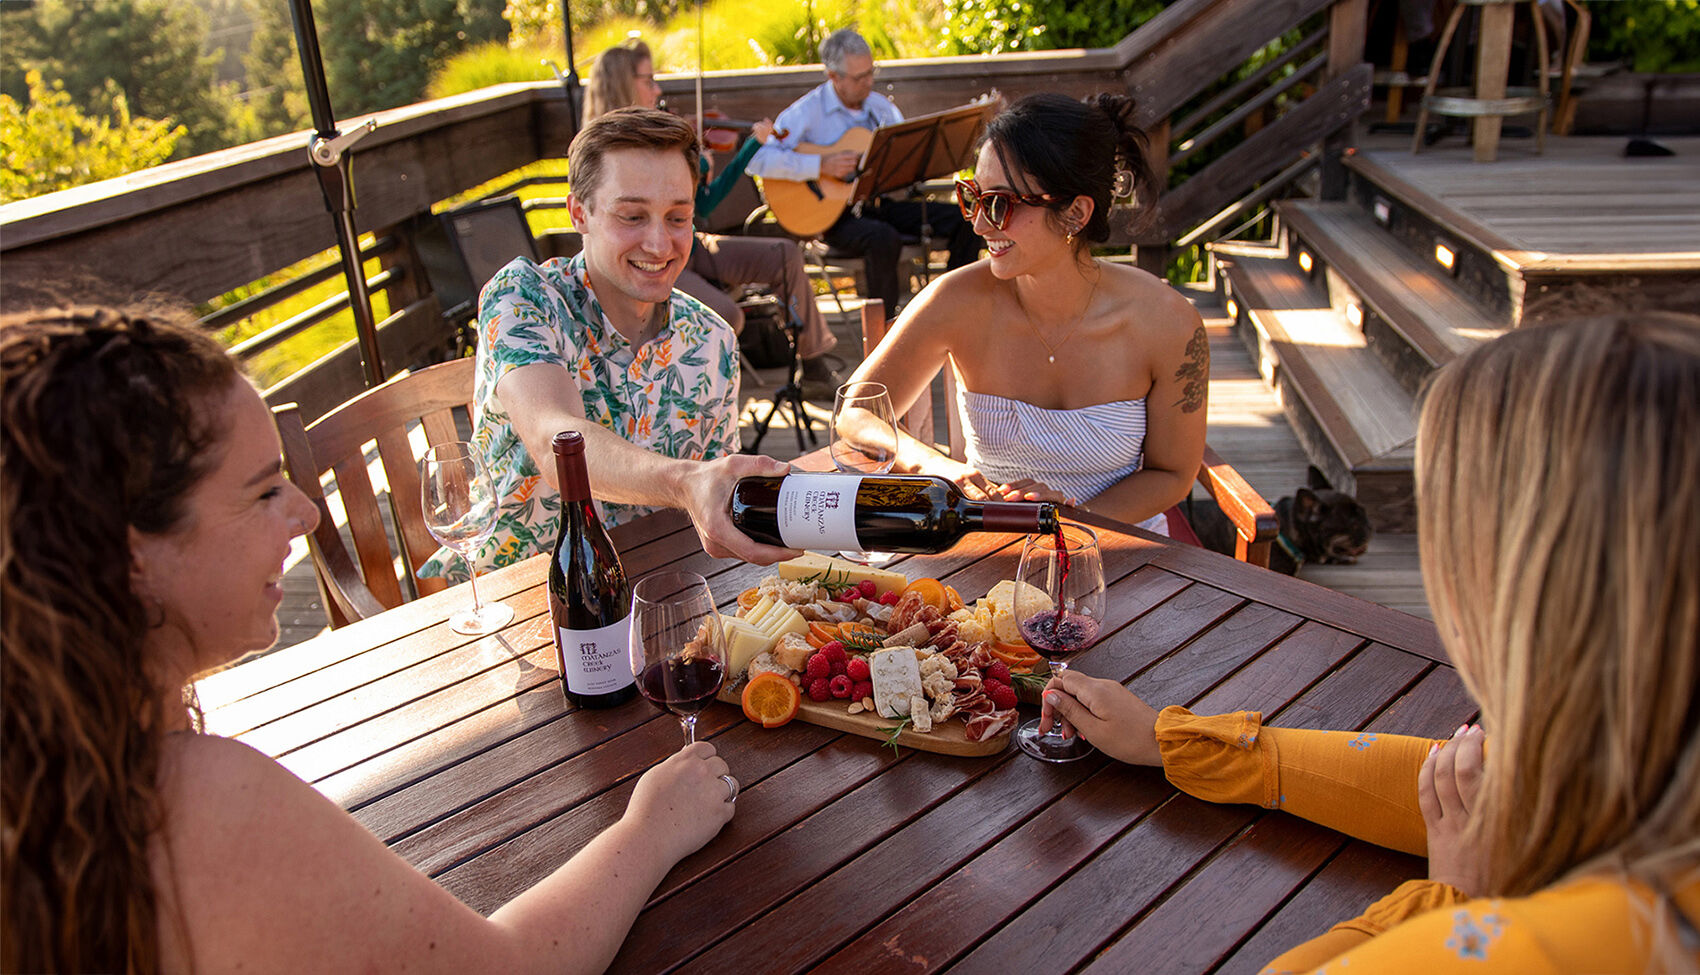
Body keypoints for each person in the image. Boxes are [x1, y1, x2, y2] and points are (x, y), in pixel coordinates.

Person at [0, 304, 741, 973]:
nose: (306, 514)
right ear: (129, 552)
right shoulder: (186, 798)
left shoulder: (52, 777)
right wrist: (651, 828)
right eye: (263, 490)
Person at [1039, 313, 1700, 972]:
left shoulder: (1530, 947)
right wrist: (1168, 738)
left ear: (1526, 590)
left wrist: (1451, 897)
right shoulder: (1630, 762)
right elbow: (1447, 783)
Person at [419, 107, 799, 581]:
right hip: (516, 593)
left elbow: (715, 503)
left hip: (655, 586)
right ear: (580, 212)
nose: (660, 244)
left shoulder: (713, 339)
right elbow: (556, 439)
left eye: (678, 217)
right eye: (632, 216)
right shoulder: (524, 297)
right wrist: (685, 483)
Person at [843, 92, 1207, 535]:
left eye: (1000, 204)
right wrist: (940, 467)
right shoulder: (957, 300)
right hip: (990, 542)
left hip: (1119, 544)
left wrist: (1067, 520)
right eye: (973, 197)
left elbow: (1173, 474)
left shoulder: (1168, 323)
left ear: (1075, 213)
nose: (978, 224)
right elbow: (857, 411)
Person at [585, 39, 840, 390]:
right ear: (623, 85)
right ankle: (703, 397)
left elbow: (702, 206)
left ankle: (813, 366)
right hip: (656, 260)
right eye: (648, 80)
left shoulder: (665, 134)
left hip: (692, 242)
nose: (658, 89)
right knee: (726, 316)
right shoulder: (603, 152)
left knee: (785, 254)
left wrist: (735, 154)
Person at [746, 28, 981, 324]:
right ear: (833, 76)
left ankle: (955, 311)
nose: (868, 82)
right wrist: (820, 166)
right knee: (883, 238)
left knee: (966, 219)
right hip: (833, 219)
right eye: (859, 77)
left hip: (879, 205)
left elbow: (908, 152)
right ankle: (884, 332)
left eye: (871, 72)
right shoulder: (807, 112)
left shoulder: (880, 108)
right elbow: (761, 159)